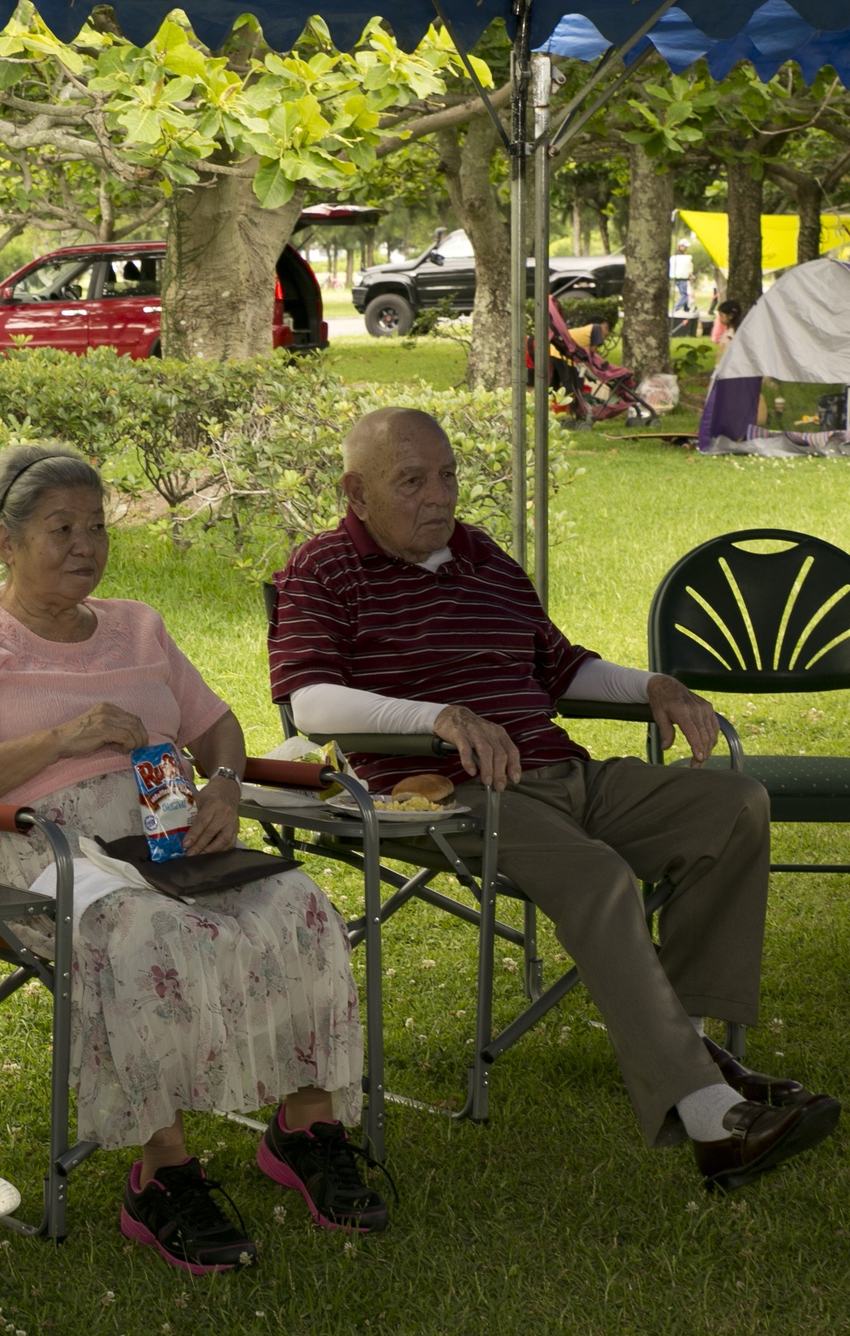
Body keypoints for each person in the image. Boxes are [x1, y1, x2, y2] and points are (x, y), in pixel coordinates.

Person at [269, 406, 841, 1192]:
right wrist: (436, 718)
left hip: (560, 773)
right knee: (599, 874)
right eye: (412, 482)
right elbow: (309, 704)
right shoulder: (324, 568)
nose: (440, 497)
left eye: (448, 476)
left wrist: (655, 686)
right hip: (447, 794)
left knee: (733, 804)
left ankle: (697, 1048)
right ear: (356, 493)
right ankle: (713, 1120)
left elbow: (560, 667)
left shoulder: (482, 557)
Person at [0, 443, 389, 1275]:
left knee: (300, 906)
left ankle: (305, 1129)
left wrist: (227, 787)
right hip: (37, 842)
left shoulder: (138, 625)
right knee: (139, 935)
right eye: (61, 528)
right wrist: (64, 737)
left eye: (96, 527)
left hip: (166, 828)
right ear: (4, 540)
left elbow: (217, 727)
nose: (86, 545)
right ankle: (161, 1174)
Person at [668, 241, 694, 312]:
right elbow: (687, 267)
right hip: (682, 278)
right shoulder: (681, 257)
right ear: (680, 246)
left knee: (683, 293)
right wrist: (691, 275)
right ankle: (675, 309)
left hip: (677, 277)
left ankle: (686, 308)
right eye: (685, 246)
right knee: (684, 294)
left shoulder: (676, 255)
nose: (686, 248)